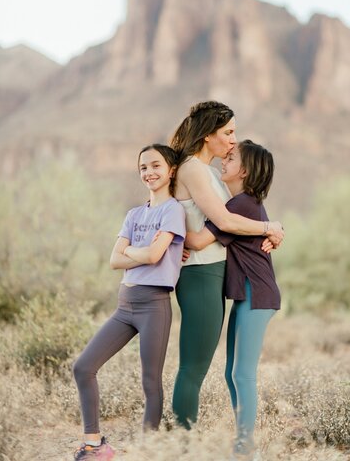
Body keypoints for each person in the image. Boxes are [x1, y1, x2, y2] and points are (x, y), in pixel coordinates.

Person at [170, 101, 283, 430]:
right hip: (201, 273)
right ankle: (182, 444)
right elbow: (219, 223)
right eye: (228, 133)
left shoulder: (210, 174)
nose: (234, 140)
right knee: (195, 368)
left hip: (216, 276)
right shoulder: (193, 167)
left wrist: (273, 229)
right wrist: (269, 228)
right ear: (208, 136)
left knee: (221, 370)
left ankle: (230, 444)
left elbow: (239, 215)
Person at [72, 144, 185, 460]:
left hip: (154, 305)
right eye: (143, 168)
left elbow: (153, 255)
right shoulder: (134, 214)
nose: (149, 172)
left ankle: (147, 450)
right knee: (83, 367)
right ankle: (95, 445)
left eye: (155, 165)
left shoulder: (173, 211)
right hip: (125, 306)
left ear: (171, 170)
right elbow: (113, 260)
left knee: (150, 382)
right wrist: (141, 253)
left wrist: (132, 252)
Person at [185, 140, 280, 461]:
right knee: (231, 373)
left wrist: (164, 225)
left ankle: (245, 449)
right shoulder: (238, 202)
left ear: (246, 170)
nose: (224, 161)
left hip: (257, 293)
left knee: (242, 374)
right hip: (245, 294)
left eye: (230, 158)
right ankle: (242, 441)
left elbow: (198, 240)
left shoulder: (240, 206)